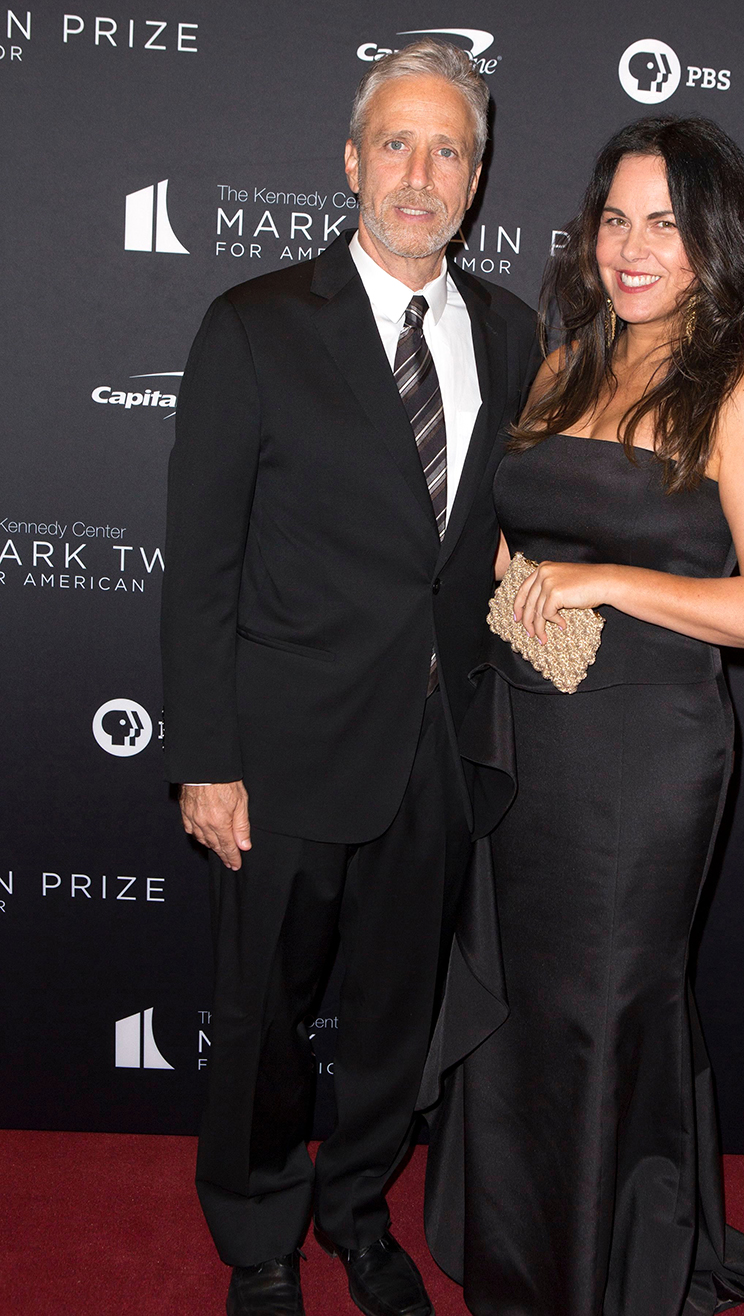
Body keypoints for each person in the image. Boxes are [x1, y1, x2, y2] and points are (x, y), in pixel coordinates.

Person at [160, 40, 538, 1316]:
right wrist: (205, 755)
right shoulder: (255, 324)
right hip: (283, 747)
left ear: (477, 178)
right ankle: (260, 1230)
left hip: (440, 749)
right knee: (263, 1012)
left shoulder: (512, 329)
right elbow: (199, 565)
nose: (419, 175)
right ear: (350, 162)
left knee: (396, 1018)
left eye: (448, 150)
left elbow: (502, 535)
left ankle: (358, 1207)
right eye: (397, 144)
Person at [423, 116, 744, 1315]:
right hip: (524, 732)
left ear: (715, 242)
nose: (632, 249)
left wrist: (603, 580)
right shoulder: (563, 363)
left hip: (643, 755)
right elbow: (519, 525)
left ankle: (599, 1270)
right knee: (523, 1002)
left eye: (664, 224)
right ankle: (518, 1238)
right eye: (614, 219)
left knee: (602, 1003)